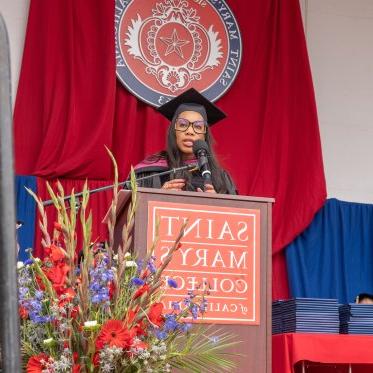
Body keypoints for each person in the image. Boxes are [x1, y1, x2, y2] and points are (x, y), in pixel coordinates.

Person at [132, 88, 237, 195]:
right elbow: (131, 209)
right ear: (173, 131)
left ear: (204, 135)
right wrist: (158, 197)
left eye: (198, 126)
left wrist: (217, 205)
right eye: (183, 125)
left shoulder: (220, 178)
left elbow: (236, 210)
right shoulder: (149, 173)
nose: (190, 131)